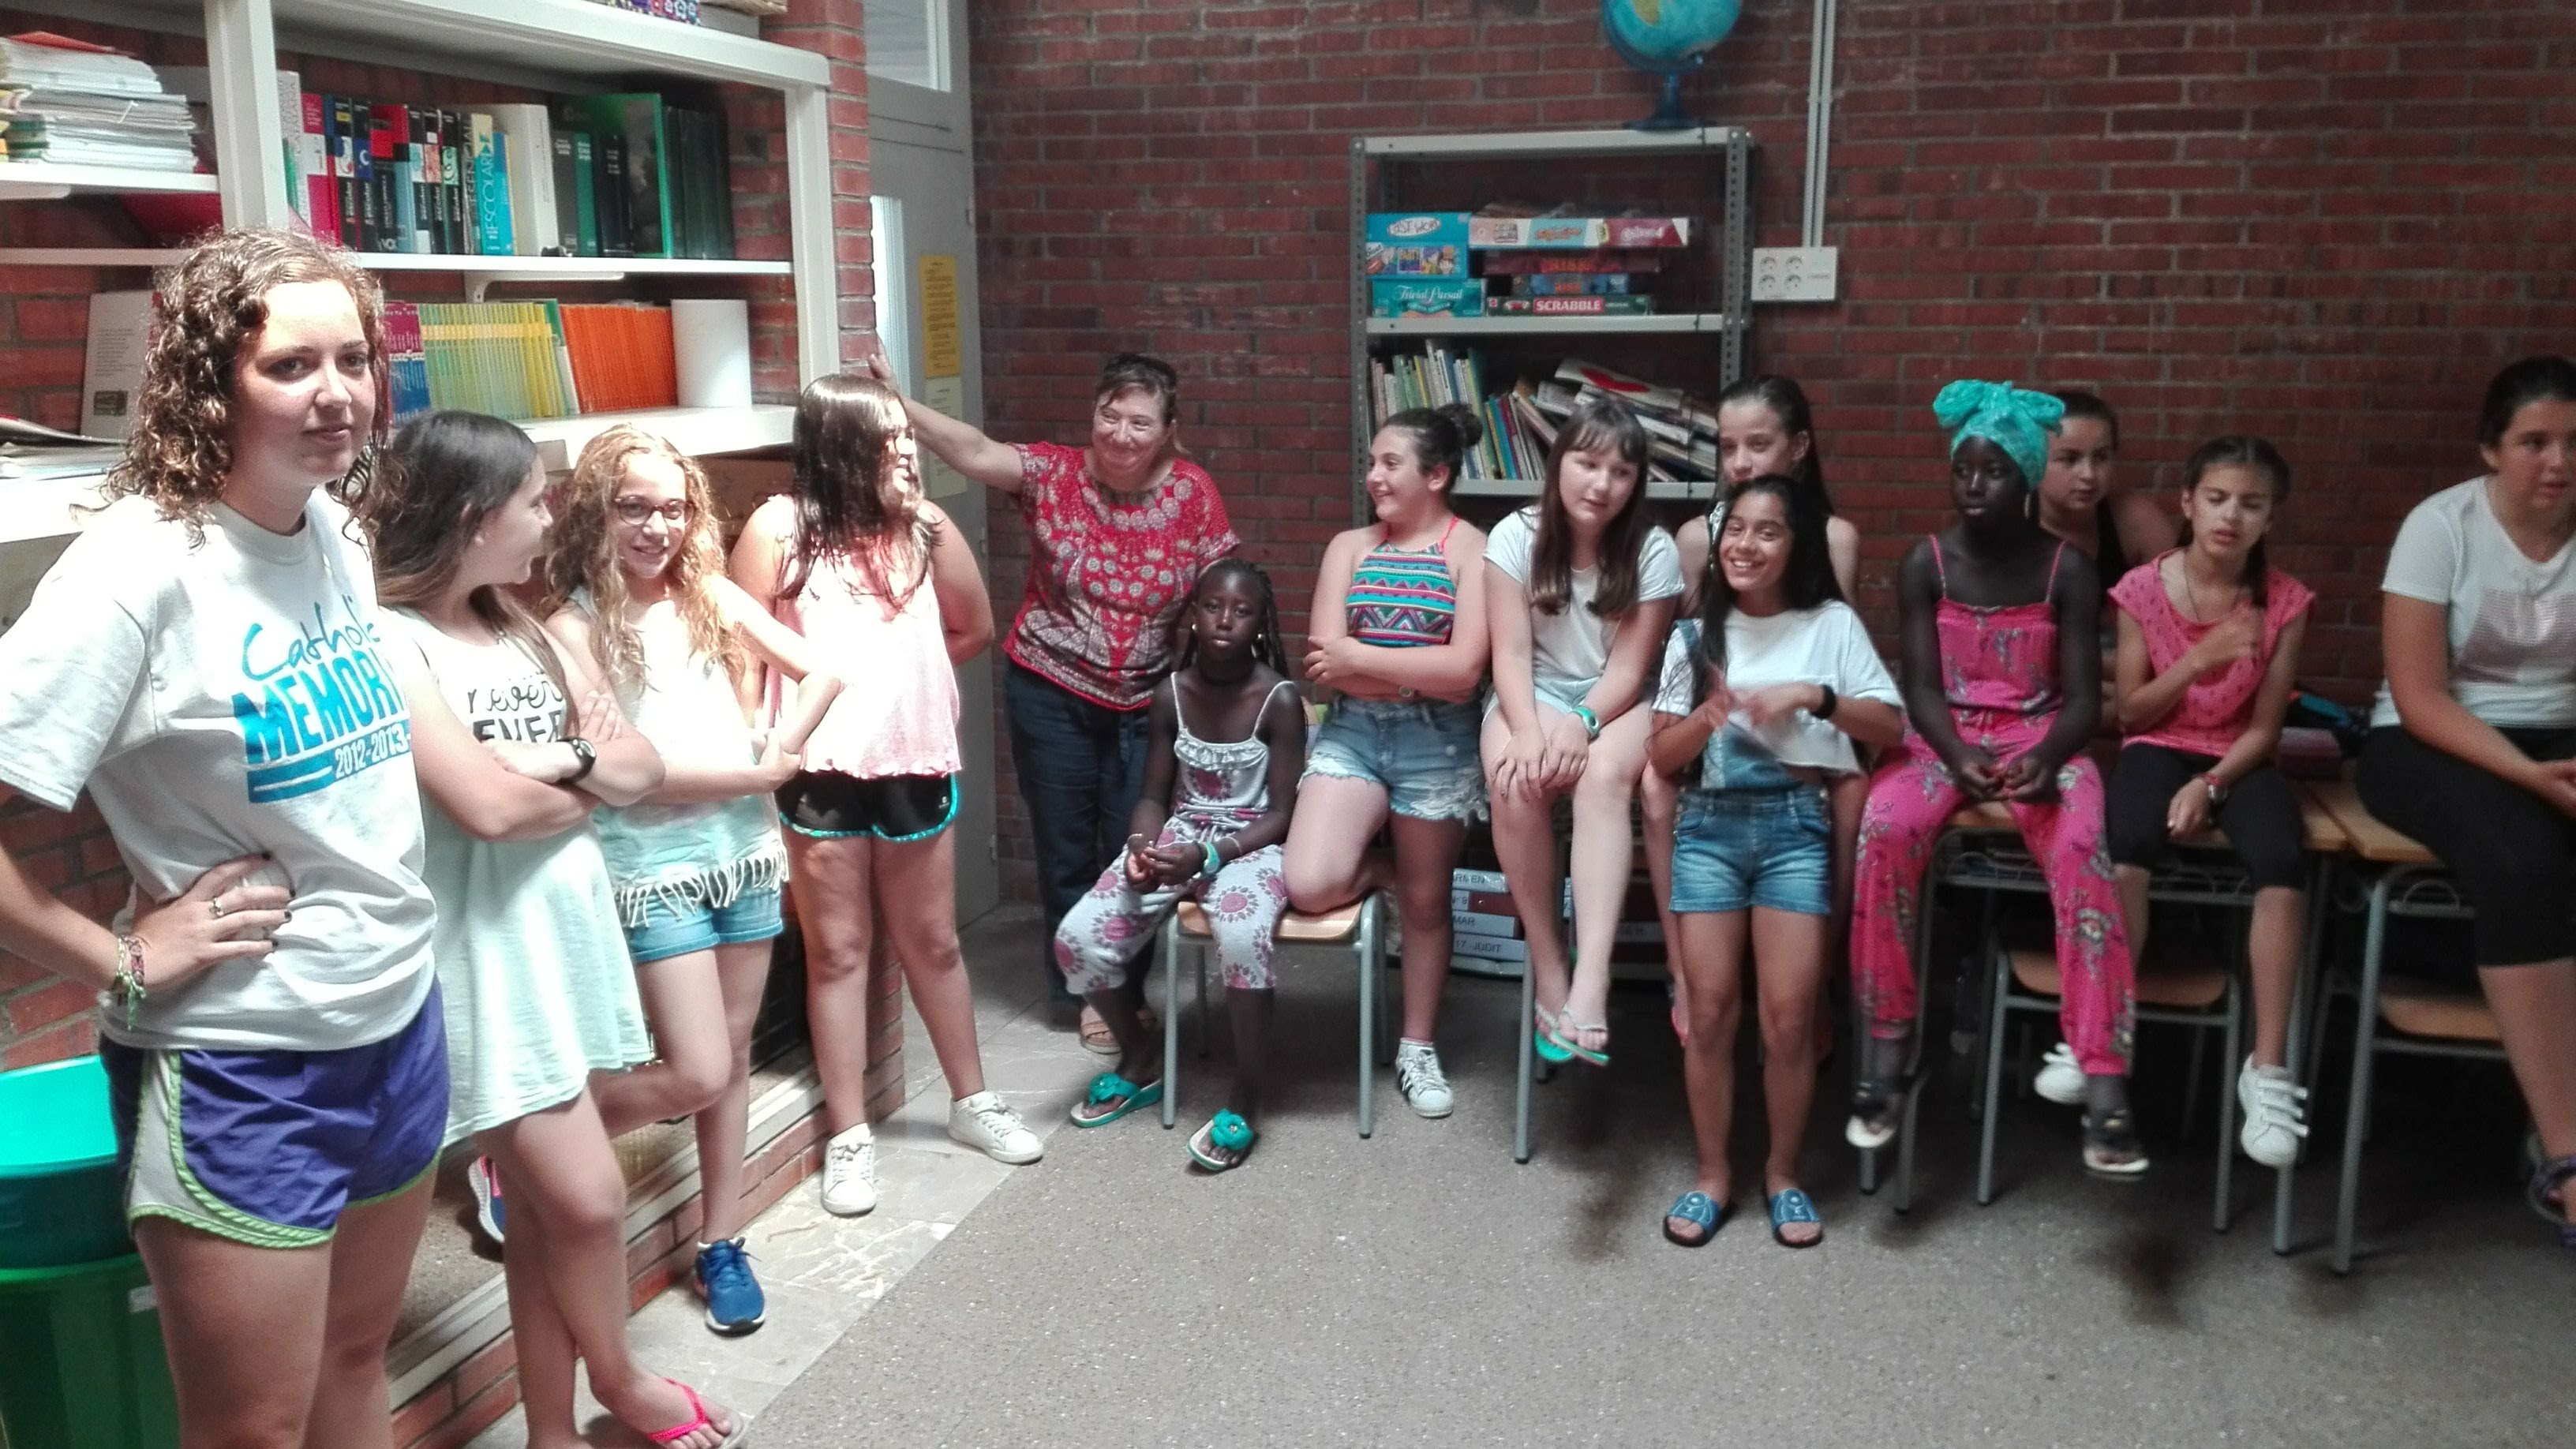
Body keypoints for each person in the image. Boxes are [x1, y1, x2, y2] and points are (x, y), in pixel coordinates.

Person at [0, 229, 441, 1448]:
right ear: (211, 383)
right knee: (252, 1432)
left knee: (355, 1361)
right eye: (290, 366)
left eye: (352, 359)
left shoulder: (334, 530)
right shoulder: (137, 571)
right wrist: (119, 957)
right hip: (247, 1061)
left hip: (397, 1018)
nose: (335, 393)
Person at [365, 411, 741, 1449]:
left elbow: (639, 768)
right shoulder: (393, 641)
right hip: (484, 959)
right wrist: (579, 785)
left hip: (562, 941)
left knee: (541, 1217)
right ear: (473, 516)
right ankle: (622, 1382)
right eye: (535, 501)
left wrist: (559, 764)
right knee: (585, 1201)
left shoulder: (524, 627)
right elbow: (483, 808)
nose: (549, 520)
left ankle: (551, 1432)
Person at [541, 425, 844, 1335]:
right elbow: (626, 775)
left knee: (731, 1057)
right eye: (634, 508)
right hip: (652, 870)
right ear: (597, 512)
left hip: (742, 857)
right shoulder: (573, 625)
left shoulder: (706, 592)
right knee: (695, 1068)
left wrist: (778, 747)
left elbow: (823, 671)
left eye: (673, 509)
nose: (656, 528)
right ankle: (524, 1142)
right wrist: (755, 776)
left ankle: (721, 1240)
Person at [732, 373, 1043, 1222]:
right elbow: (743, 650)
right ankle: (849, 1133)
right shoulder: (778, 529)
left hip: (913, 762)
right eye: (889, 440)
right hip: (818, 769)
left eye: (907, 437)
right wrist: (758, 749)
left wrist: (903, 690)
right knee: (838, 951)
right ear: (838, 447)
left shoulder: (927, 528)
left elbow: (973, 628)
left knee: (932, 942)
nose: (907, 453)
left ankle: (973, 1101)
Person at [867, 352, 1237, 1047]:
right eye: (1109, 415)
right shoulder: (1054, 473)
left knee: (1137, 848)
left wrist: (1223, 691)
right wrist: (899, 404)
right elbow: (975, 451)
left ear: (1168, 431)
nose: (1121, 434)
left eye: (1140, 422)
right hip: (1050, 690)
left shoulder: (1194, 493)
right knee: (1065, 848)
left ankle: (1125, 986)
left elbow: (1223, 591)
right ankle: (1086, 994)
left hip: (1148, 702)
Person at [1848, 380, 2143, 1178]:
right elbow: (1919, 686)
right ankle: (1889, 1048)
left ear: (2027, 479)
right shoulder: (1926, 562)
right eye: (1963, 471)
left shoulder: (2069, 571)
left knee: (2084, 850)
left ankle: (2105, 1079)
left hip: (2043, 739)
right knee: (1884, 832)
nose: (1975, 486)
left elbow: (2083, 700)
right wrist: (1953, 754)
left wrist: (2046, 758)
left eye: (1995, 472)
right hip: (1941, 739)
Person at [1646, 476, 1903, 1249]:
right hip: (1710, 830)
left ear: (1797, 546)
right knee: (1710, 1014)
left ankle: (1784, 1175)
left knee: (1790, 1019)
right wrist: (1709, 716)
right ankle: (1712, 1176)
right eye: (1736, 529)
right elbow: (1661, 756)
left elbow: (1888, 725)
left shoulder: (1831, 625)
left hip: (1796, 828)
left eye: (1768, 531)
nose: (1746, 545)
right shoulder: (1693, 637)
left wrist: (1812, 697)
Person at [2355, 355, 2576, 1249]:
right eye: (2535, 442)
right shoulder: (2441, 526)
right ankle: (2565, 1155)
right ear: (2492, 449)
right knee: (2523, 860)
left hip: (2558, 739)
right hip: (2430, 739)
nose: (2558, 461)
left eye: (2574, 443)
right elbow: (2420, 696)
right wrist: (2531, 778)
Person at [2086, 438, 2314, 1169]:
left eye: (2251, 504)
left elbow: (2267, 729)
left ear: (2270, 516)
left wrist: (2212, 786)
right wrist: (2199, 660)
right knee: (2127, 842)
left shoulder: (2285, 601)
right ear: (2187, 502)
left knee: (2282, 859)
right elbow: (2133, 713)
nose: (2230, 516)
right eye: (2217, 499)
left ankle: (2267, 1068)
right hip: (2158, 743)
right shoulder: (2142, 589)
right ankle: (2105, 1033)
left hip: (2239, 756)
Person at [1054, 560, 1305, 1170]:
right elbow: (1152, 794)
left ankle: (1247, 1093)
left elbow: (1283, 813)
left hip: (1251, 845)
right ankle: (1141, 1054)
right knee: (1077, 938)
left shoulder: (1279, 699)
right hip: (1181, 833)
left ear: (1260, 624)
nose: (1225, 620)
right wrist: (1142, 848)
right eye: (1213, 606)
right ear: (1193, 615)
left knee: (1241, 933)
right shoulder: (1170, 692)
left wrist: (1212, 855)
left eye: (1242, 611)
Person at [1282, 403, 1491, 1119]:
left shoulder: (1472, 550)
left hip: (1441, 744)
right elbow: (1322, 669)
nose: (1373, 476)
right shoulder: (1349, 547)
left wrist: (1364, 661)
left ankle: (1417, 1046)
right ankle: (1383, 872)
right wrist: (1408, 674)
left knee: (1428, 906)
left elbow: (1465, 673)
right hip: (1353, 734)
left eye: (1390, 463)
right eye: (1372, 462)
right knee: (1310, 883)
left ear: (1437, 475)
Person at [1657, 376, 1862, 1045]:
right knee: (1655, 788)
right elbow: (1688, 647)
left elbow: (1837, 652)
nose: (1741, 462)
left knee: (1852, 791)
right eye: (1728, 448)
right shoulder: (1697, 536)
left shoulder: (1833, 535)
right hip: (1715, 713)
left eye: (1758, 445)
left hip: (1802, 711)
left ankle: (1820, 976)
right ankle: (1682, 969)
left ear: (1799, 447)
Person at [1485, 395, 1684, 1067]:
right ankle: (1552, 968)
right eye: (1588, 463)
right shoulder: (1514, 536)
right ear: (1558, 462)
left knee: (1601, 779)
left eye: (1621, 472)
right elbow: (1511, 656)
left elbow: (1629, 668)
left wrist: (1581, 723)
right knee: (1515, 780)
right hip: (1532, 691)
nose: (1602, 484)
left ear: (1637, 483)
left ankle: (1593, 977)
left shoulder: (1653, 550)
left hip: (1619, 701)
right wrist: (1529, 731)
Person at [2036, 390, 2177, 607]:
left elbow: (2178, 606)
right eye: (2069, 459)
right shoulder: (2010, 519)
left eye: (2101, 457)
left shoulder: (2135, 520)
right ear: (2035, 461)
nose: (2089, 474)